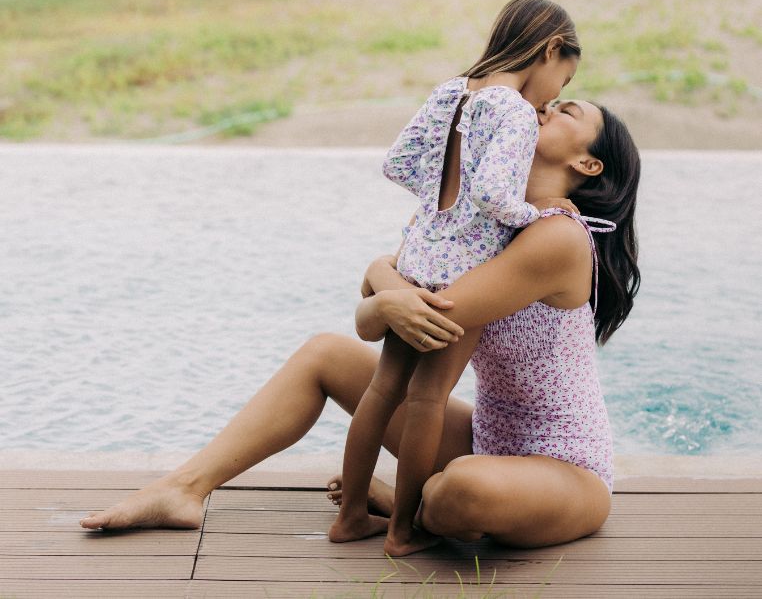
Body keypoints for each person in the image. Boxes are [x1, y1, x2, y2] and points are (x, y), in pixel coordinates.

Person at [80, 96, 641, 552]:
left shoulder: (559, 236)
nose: (544, 107)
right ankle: (182, 488)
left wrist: (379, 278)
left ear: (588, 165)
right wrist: (378, 286)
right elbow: (376, 324)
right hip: (484, 440)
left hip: (565, 471)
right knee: (325, 353)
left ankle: (409, 505)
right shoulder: (486, 220)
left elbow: (430, 313)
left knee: (460, 491)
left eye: (567, 112)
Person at [329, 0, 584, 554]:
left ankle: (350, 515)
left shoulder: (451, 91)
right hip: (462, 270)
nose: (551, 100)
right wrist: (531, 214)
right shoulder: (513, 110)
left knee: (381, 390)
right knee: (426, 400)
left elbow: (397, 163)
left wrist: (442, 198)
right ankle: (402, 530)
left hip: (419, 249)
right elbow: (495, 196)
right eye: (561, 79)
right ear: (549, 51)